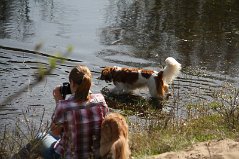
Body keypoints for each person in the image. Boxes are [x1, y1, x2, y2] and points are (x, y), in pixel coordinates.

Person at [13, 64, 109, 159]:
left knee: (40, 137)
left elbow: (55, 131)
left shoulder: (64, 106)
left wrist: (59, 101)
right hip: (93, 155)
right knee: (49, 135)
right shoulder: (100, 100)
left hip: (67, 156)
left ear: (72, 83)